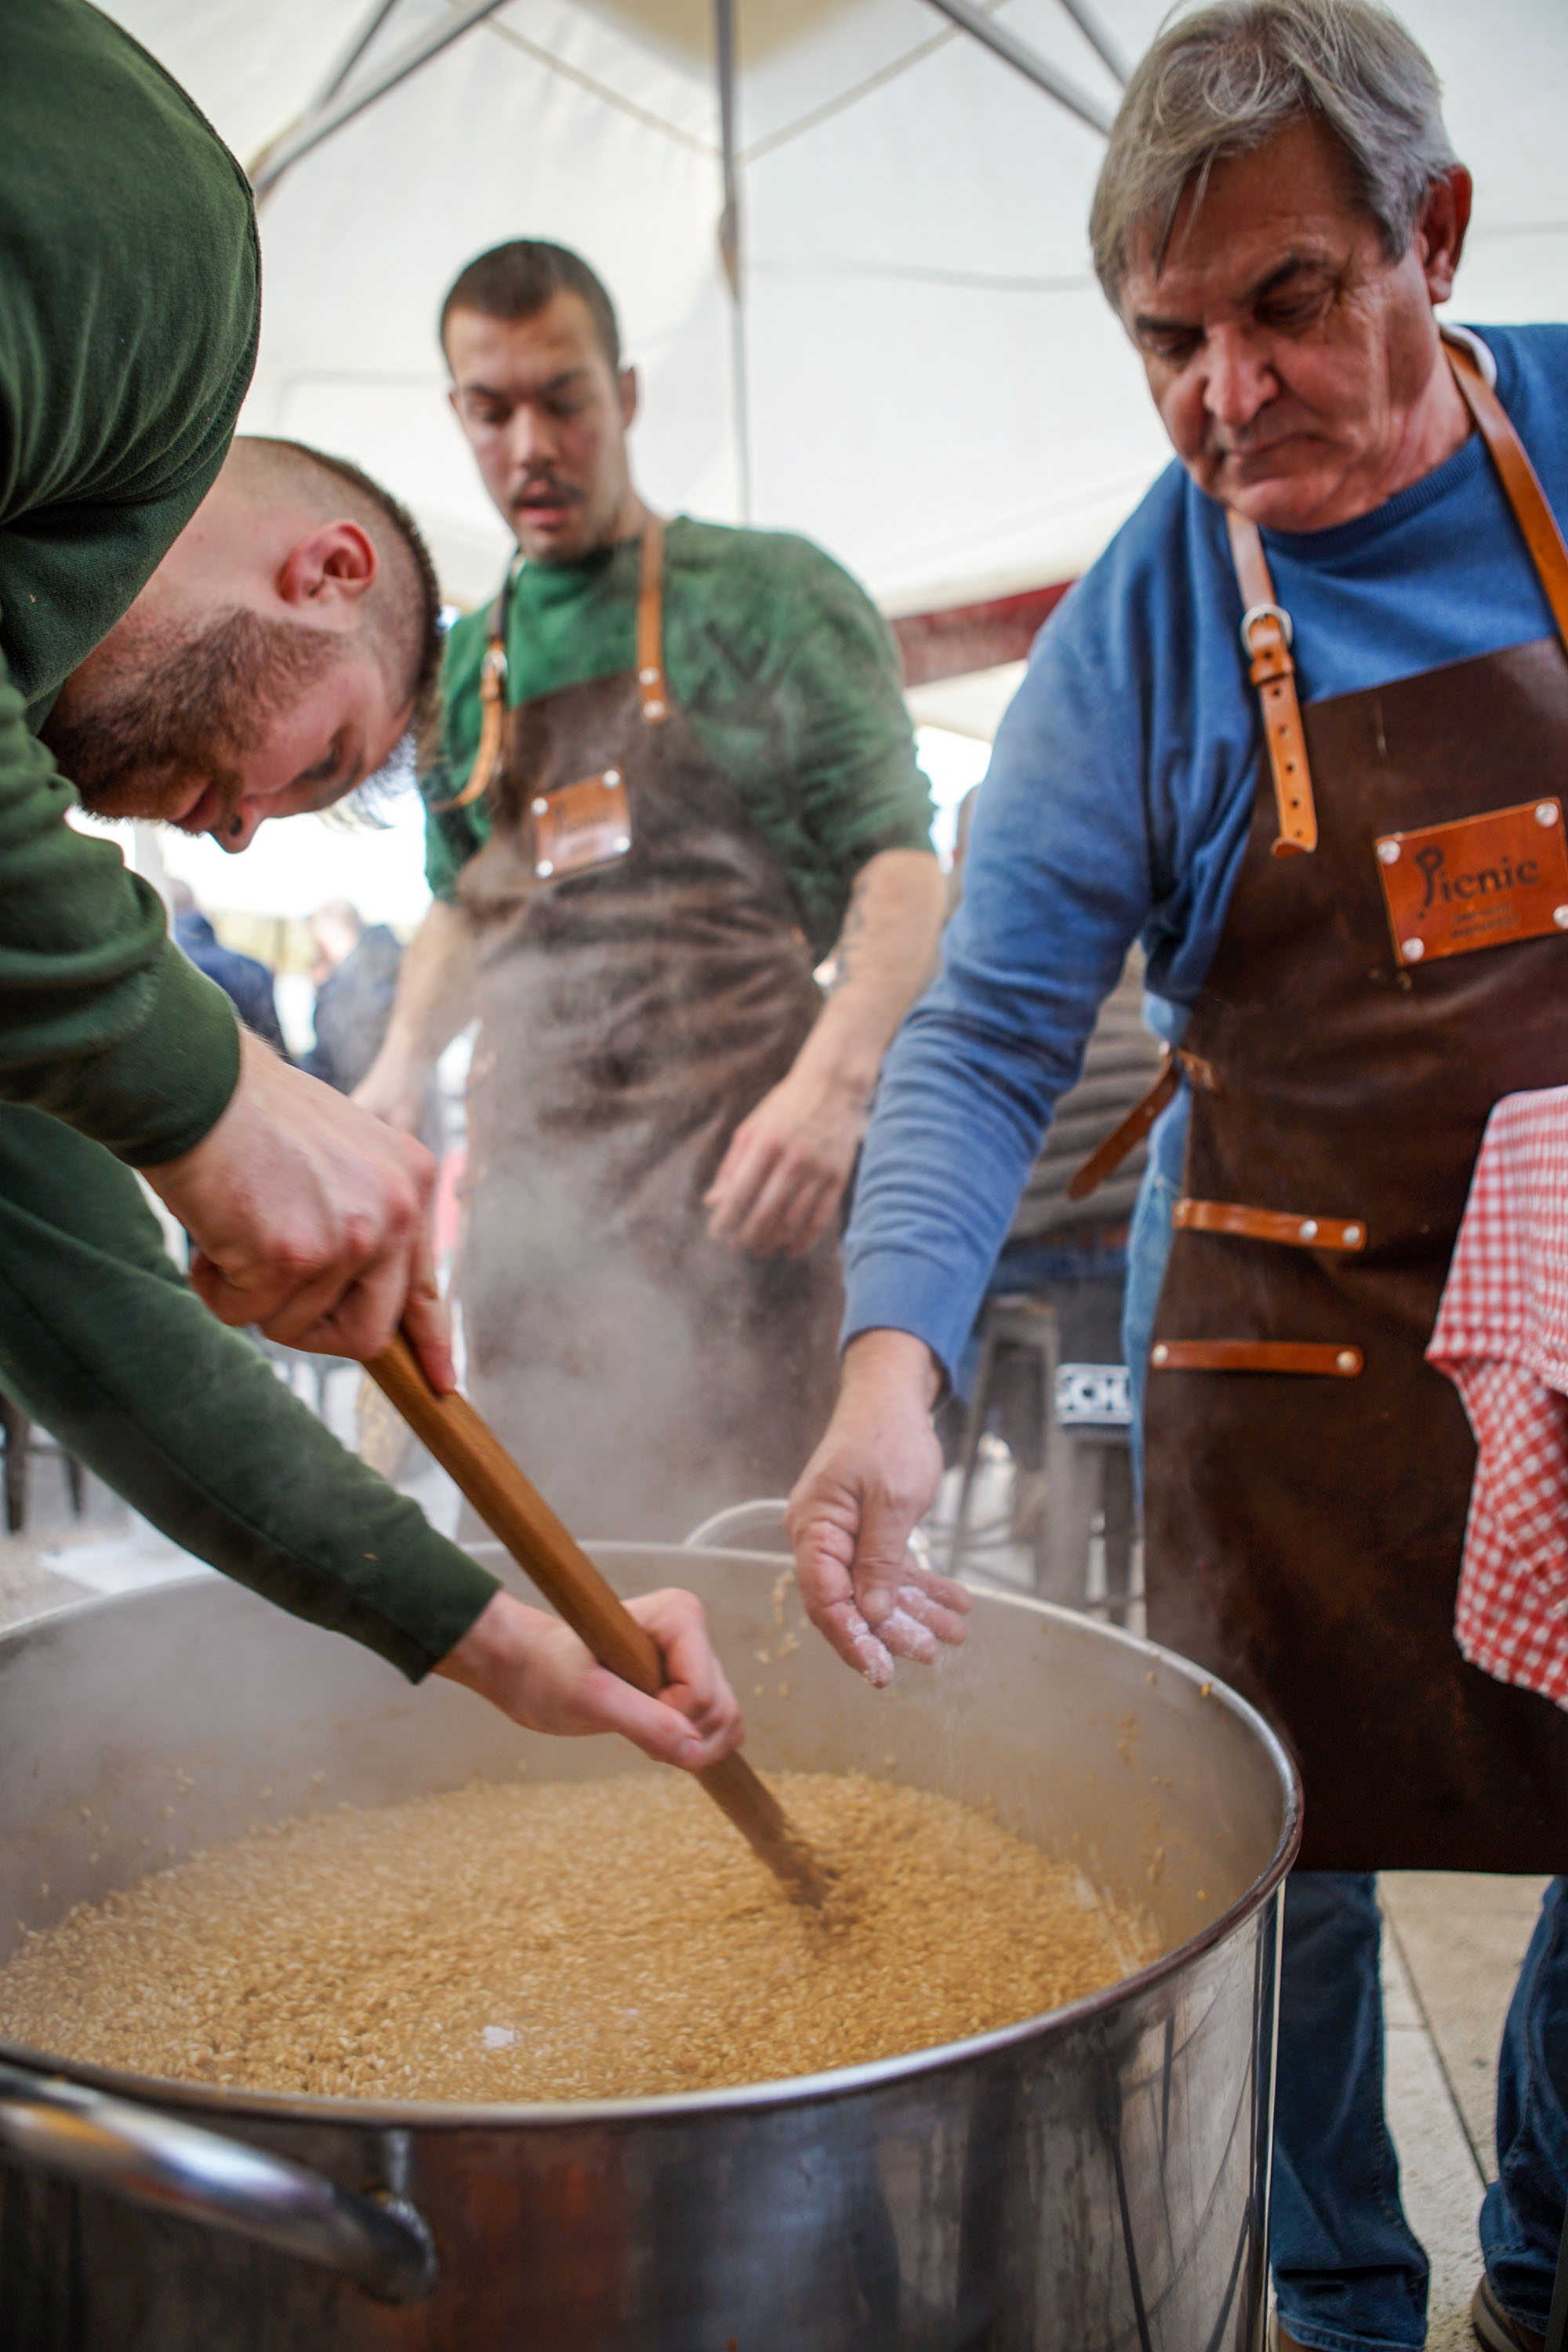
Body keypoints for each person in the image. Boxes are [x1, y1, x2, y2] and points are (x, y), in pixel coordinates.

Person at [784, 4, 1568, 2347]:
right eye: (1165, 341)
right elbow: (995, 1020)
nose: (1224, 396)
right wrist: (891, 1356)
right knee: (1280, 1837)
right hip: (1274, 1318)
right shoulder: (1149, 619)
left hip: (1566, 1304)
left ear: (1426, 239)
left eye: (1289, 304)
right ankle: (1331, 2289)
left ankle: (1545, 2240)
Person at [0, 0, 739, 1777]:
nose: (245, 833)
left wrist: (481, 1632)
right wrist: (217, 1083)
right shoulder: (167, 257)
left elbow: (75, 1285)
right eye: (322, 762)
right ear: (326, 569)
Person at [355, 241, 946, 1538]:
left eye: (562, 398)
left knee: (758, 1594)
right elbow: (460, 905)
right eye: (490, 409)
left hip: (740, 1203)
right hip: (536, 1222)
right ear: (457, 413)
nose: (529, 445)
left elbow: (903, 869)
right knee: (547, 1588)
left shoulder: (770, 594)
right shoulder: (464, 667)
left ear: (623, 393)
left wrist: (832, 1092)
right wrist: (399, 1064)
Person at [171, 880, 288, 1055]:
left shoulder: (166, 968)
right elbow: (276, 1046)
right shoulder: (253, 967)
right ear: (196, 906)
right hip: (256, 1073)